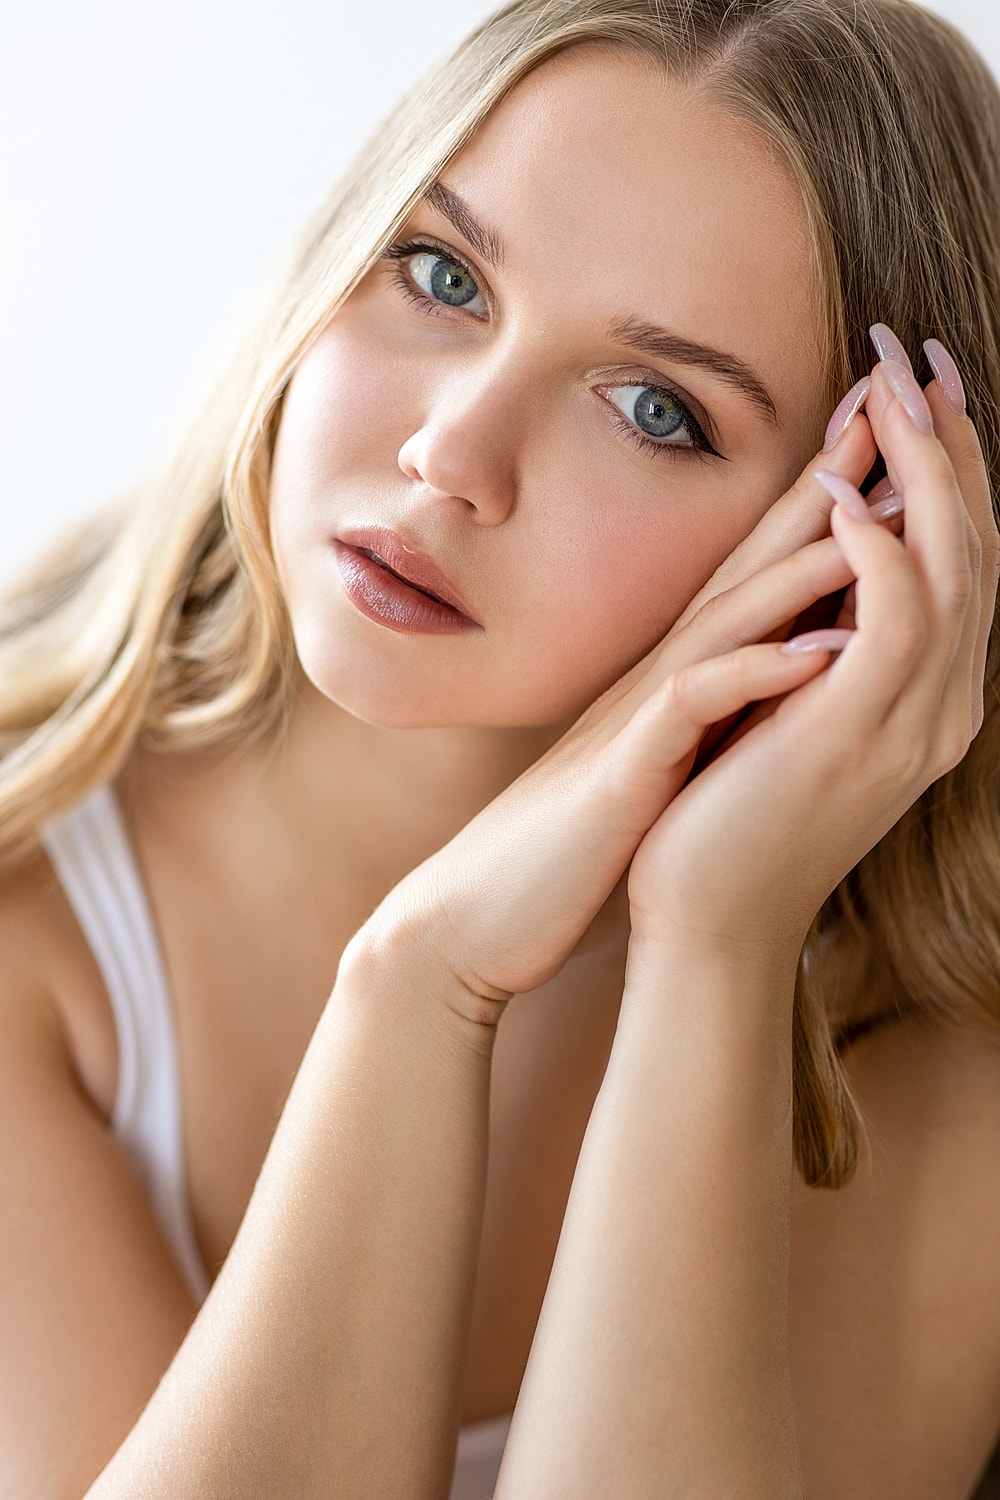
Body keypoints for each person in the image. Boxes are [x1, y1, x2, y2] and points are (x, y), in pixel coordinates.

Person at [2, 0, 999, 1494]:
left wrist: (715, 950)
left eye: (656, 409)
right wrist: (422, 982)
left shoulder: (934, 1071)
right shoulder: (29, 885)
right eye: (440, 273)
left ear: (873, 540)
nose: (450, 456)